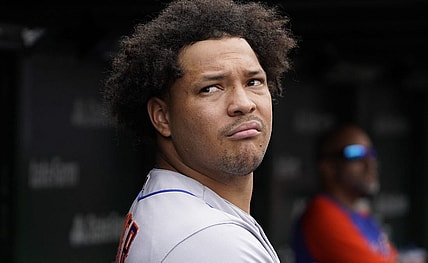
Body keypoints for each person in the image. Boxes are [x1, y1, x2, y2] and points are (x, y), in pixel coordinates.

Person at [102, 0, 297, 262]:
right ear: (162, 117)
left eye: (253, 82)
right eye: (211, 88)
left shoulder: (178, 207)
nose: (243, 103)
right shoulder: (210, 240)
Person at [291, 123, 399, 263]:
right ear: (328, 167)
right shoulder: (322, 214)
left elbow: (394, 258)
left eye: (371, 154)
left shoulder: (361, 214)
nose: (369, 163)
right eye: (356, 154)